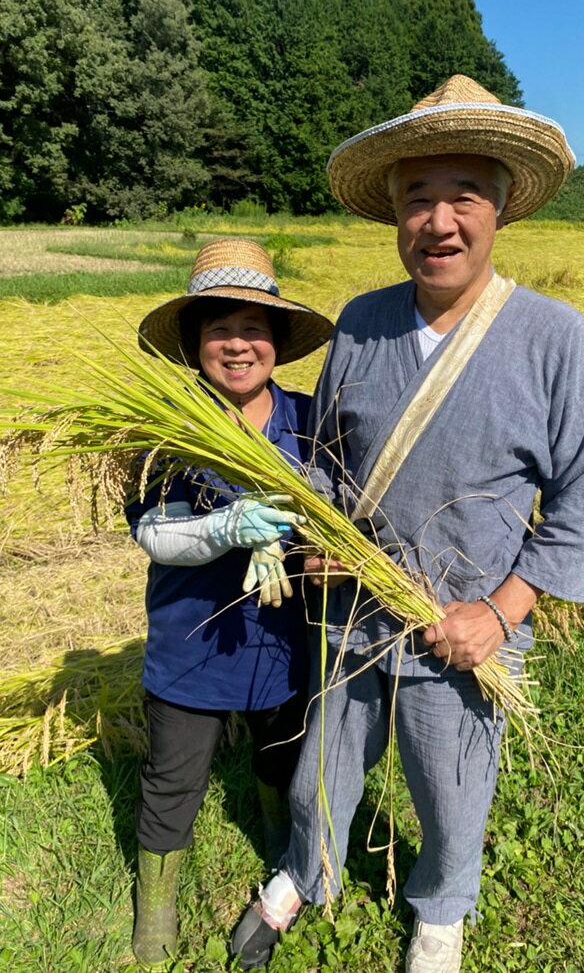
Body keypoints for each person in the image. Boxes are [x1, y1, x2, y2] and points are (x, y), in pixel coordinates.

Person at [231, 76, 584, 973]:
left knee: (451, 789)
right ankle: (306, 868)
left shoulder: (552, 336)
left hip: (461, 631)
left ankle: (442, 907)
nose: (439, 221)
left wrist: (503, 610)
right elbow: (327, 457)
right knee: (323, 770)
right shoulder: (362, 323)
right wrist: (317, 534)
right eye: (417, 197)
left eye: (464, 195)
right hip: (355, 614)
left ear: (502, 206)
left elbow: (580, 495)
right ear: (395, 213)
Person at [125, 238, 333, 971]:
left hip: (282, 640)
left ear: (277, 341)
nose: (238, 344)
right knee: (173, 778)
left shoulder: (309, 420)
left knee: (282, 759)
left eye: (254, 327)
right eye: (219, 329)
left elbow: (344, 509)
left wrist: (321, 541)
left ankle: (281, 852)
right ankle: (157, 907)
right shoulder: (166, 427)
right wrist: (225, 528)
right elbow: (153, 533)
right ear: (194, 343)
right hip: (191, 644)